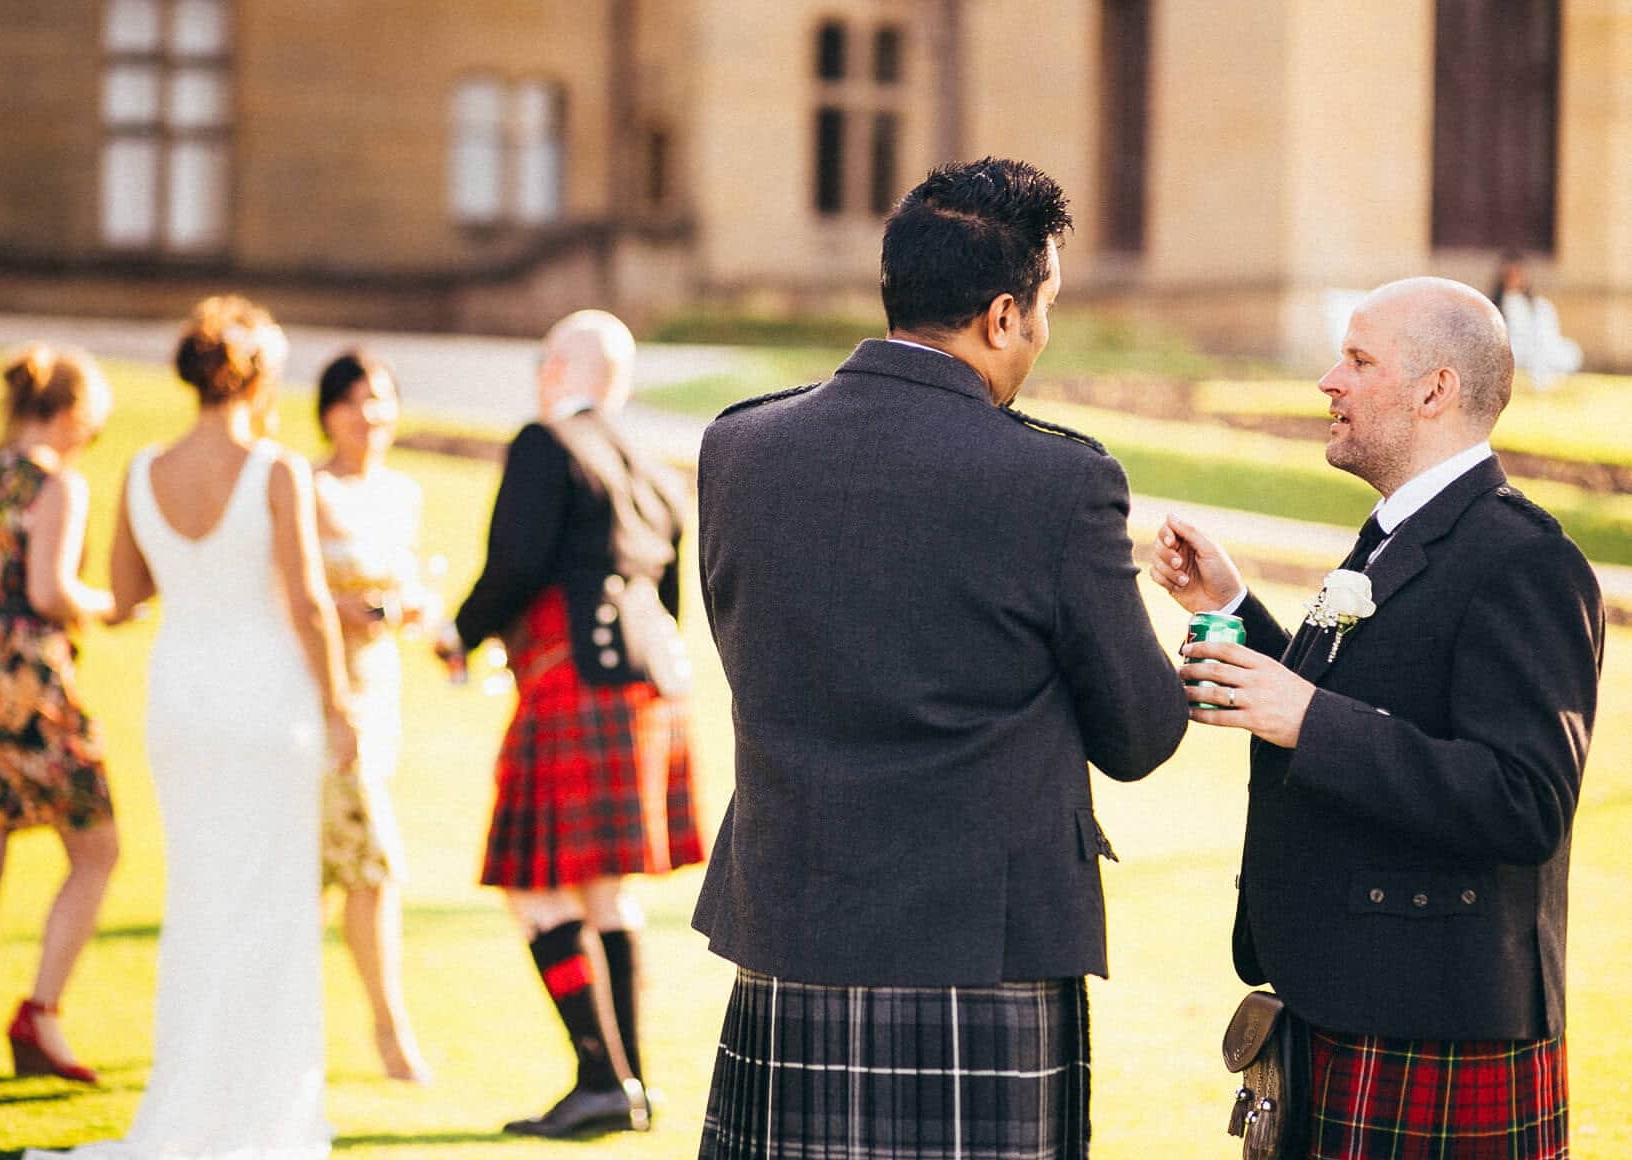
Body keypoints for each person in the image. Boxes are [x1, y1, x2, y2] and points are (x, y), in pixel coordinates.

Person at [693, 157, 1190, 1160]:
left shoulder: (737, 448)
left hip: (793, 937)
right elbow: (1139, 734)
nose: (1043, 333)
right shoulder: (1058, 481)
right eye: (1045, 303)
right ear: (1004, 315)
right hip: (978, 959)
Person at [1152, 276, 1603, 1159]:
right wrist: (1236, 606)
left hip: (1436, 1023)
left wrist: (1310, 720)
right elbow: (1356, 698)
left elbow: (1527, 799)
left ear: (1436, 390)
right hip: (1351, 1003)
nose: (1329, 380)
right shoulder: (1397, 537)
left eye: (1358, 360)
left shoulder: (1525, 561)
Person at [28, 296, 355, 1159]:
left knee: (201, 900)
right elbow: (309, 604)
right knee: (274, 908)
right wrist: (341, 704)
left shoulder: (141, 470)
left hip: (183, 701)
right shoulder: (277, 469)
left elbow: (125, 598)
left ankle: (194, 1107)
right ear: (258, 375)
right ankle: (264, 1122)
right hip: (265, 701)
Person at [441, 308, 703, 1139]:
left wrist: (461, 633)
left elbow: (515, 563)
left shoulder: (545, 444)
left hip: (572, 683)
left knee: (535, 887)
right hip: (649, 688)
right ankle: (633, 1085)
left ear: (558, 366)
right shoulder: (655, 468)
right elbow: (671, 602)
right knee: (607, 891)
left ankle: (599, 1077)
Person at [0, 345, 121, 1093]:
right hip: (26, 681)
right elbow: (48, 590)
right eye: (91, 428)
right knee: (97, 850)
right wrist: (110, 604)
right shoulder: (56, 486)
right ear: (69, 416)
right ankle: (39, 1012)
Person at [313, 349, 432, 1083]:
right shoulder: (307, 488)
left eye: (383, 399)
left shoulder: (402, 493)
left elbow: (411, 581)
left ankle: (275, 1019)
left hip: (381, 691)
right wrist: (340, 611)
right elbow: (284, 596)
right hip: (320, 696)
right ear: (327, 412)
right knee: (372, 865)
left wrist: (415, 609)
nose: (372, 415)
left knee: (325, 868)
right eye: (357, 400)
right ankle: (390, 1032)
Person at [1491, 252, 1582, 390]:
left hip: (1539, 345)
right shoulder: (1495, 307)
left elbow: (1547, 332)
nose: (1515, 278)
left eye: (1518, 274)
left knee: (1571, 351)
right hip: (1514, 349)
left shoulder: (1538, 305)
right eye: (1511, 274)